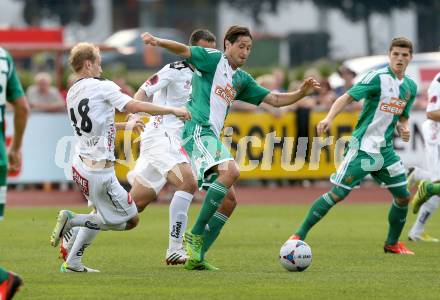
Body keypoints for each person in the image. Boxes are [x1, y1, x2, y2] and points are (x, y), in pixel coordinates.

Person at [141, 25, 320, 269]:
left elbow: (275, 100)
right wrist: (157, 41)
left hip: (211, 135)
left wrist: (301, 93)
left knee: (229, 201)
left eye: (249, 48)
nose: (245, 52)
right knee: (231, 171)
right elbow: (184, 49)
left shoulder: (241, 79)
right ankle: (193, 235)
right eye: (241, 46)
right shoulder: (214, 59)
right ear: (227, 45)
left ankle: (196, 257)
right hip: (196, 129)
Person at [49, 42, 191, 273]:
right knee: (130, 220)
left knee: (98, 213)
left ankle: (73, 261)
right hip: (100, 173)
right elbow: (132, 104)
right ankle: (72, 222)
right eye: (98, 64)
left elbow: (96, 125)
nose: (101, 70)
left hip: (79, 165)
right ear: (88, 64)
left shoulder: (73, 92)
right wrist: (173, 111)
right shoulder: (102, 87)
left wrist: (126, 125)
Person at [286, 37, 417, 255]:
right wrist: (328, 118)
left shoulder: (410, 87)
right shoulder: (377, 78)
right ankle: (298, 234)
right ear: (389, 55)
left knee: (403, 196)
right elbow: (346, 98)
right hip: (362, 148)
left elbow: (403, 116)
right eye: (396, 54)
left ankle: (392, 244)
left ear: (410, 58)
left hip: (385, 151)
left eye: (404, 55)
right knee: (338, 194)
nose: (400, 59)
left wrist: (403, 127)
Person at [0, 46, 29, 299]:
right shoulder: (3, 56)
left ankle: (3, 279)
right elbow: (22, 107)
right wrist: (15, 147)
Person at [407, 71, 440, 242]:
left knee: (437, 185)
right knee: (437, 185)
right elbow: (431, 113)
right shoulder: (439, 81)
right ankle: (417, 231)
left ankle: (420, 176)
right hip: (438, 138)